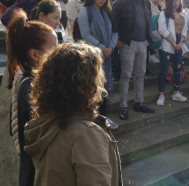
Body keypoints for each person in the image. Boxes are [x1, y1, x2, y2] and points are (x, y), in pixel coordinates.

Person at [24, 42, 123, 186]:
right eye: (98, 74)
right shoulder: (85, 134)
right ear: (84, 83)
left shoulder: (46, 124)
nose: (103, 80)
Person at [7, 10, 57, 186]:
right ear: (35, 54)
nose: (57, 52)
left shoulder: (32, 80)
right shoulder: (32, 88)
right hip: (36, 173)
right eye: (52, 48)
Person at [112, 0, 155, 121]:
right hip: (127, 43)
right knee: (125, 75)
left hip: (143, 42)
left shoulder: (146, 1)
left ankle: (139, 102)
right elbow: (113, 21)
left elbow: (148, 20)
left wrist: (148, 40)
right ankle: (123, 106)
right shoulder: (121, 1)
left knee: (140, 74)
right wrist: (116, 39)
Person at [78, 0, 119, 129]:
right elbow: (86, 34)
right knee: (94, 88)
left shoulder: (107, 11)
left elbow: (115, 31)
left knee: (104, 87)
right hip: (92, 57)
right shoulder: (85, 11)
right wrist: (102, 47)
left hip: (107, 55)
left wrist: (111, 47)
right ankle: (95, 119)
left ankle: (104, 118)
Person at [156, 0, 188, 105]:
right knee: (164, 70)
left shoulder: (184, 14)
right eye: (172, 1)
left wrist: (181, 42)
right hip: (167, 45)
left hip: (180, 43)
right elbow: (162, 30)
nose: (175, 3)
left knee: (177, 69)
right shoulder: (164, 13)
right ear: (168, 2)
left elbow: (185, 29)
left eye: (177, 0)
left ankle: (176, 92)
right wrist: (174, 43)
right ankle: (161, 94)